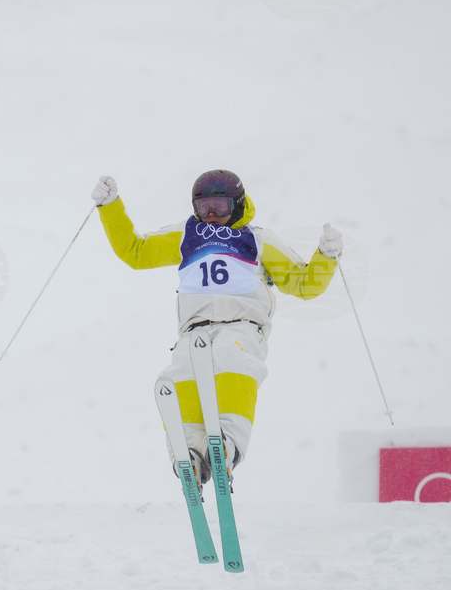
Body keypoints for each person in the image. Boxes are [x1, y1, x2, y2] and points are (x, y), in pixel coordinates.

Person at [91, 170, 344, 488]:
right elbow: (136, 252)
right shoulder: (185, 235)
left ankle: (227, 445)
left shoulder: (258, 239)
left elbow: (305, 284)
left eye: (220, 207)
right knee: (178, 375)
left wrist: (326, 256)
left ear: (236, 205)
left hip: (243, 325)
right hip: (195, 330)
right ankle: (190, 454)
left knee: (232, 359)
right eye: (203, 207)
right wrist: (110, 206)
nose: (210, 215)